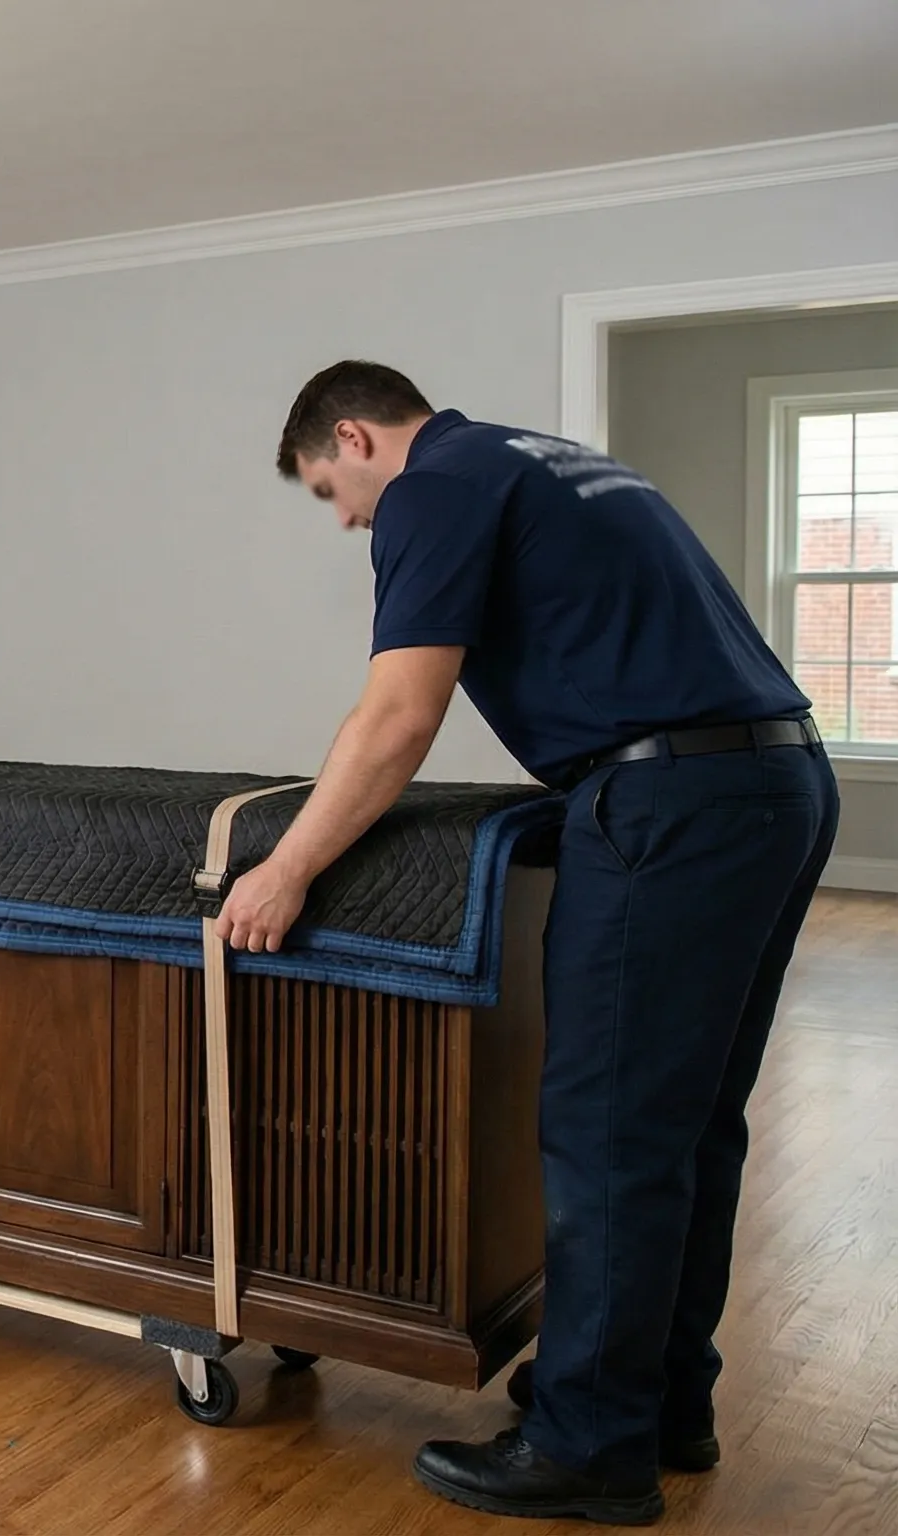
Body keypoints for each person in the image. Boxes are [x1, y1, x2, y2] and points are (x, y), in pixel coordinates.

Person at [222, 361, 838, 1526]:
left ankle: (588, 1446)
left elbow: (399, 714)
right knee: (685, 1123)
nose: (346, 518)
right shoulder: (542, 458)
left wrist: (287, 866)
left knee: (606, 1129)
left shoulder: (431, 489)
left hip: (672, 808)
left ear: (353, 437)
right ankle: (658, 1404)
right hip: (774, 780)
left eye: (326, 490)